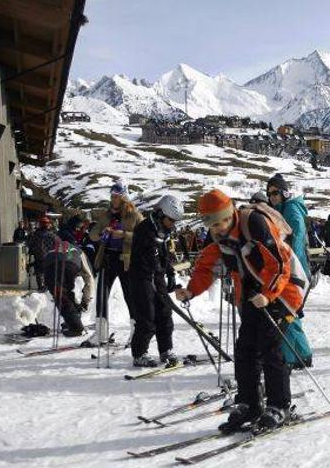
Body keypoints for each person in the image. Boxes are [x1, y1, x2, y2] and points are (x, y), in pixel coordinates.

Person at [175, 189, 308, 431]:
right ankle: (249, 404)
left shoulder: (254, 223)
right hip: (253, 294)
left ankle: (280, 406)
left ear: (231, 214)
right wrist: (191, 291)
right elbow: (206, 266)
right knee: (245, 349)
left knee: (270, 346)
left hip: (285, 290)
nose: (218, 228)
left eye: (222, 221)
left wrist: (268, 296)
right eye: (212, 225)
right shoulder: (219, 236)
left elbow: (278, 264)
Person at [128, 195, 184, 367]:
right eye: (171, 220)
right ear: (160, 214)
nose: (172, 225)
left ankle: (165, 349)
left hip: (156, 276)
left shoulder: (163, 230)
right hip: (141, 277)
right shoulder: (145, 229)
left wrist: (171, 273)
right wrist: (160, 272)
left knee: (165, 312)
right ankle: (139, 353)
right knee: (148, 316)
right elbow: (150, 257)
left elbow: (163, 255)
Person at [85, 182, 143, 347]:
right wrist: (102, 233)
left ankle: (135, 332)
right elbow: (93, 234)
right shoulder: (106, 215)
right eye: (112, 196)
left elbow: (143, 237)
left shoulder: (135, 215)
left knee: (129, 295)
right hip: (107, 258)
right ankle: (101, 333)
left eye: (116, 196)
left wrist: (123, 234)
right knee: (102, 294)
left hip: (126, 260)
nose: (113, 199)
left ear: (124, 197)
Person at [266, 173, 313, 369]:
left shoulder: (291, 210)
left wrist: (291, 271)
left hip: (295, 271)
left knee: (287, 314)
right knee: (291, 314)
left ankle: (292, 358)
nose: (272, 197)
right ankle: (304, 354)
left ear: (284, 192)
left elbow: (296, 241)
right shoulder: (281, 210)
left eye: (276, 192)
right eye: (269, 193)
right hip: (291, 270)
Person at [41, 240, 93, 337]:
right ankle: (74, 321)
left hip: (51, 266)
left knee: (61, 296)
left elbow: (44, 263)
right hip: (70, 266)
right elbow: (89, 278)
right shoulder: (79, 252)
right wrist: (86, 300)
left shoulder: (52, 249)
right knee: (66, 294)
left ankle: (75, 326)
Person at [28, 216, 58, 292]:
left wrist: (31, 251)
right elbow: (58, 244)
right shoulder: (52, 235)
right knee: (48, 272)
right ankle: (46, 287)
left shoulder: (35, 234)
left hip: (38, 257)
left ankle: (40, 287)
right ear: (47, 225)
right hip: (49, 257)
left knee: (39, 272)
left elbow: (30, 244)